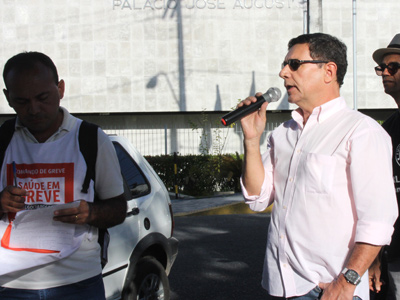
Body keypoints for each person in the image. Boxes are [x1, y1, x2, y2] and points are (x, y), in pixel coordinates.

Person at [239, 32, 398, 300]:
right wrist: (252, 141)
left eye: (294, 64)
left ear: (329, 71)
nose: (283, 73)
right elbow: (257, 198)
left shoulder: (361, 132)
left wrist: (347, 282)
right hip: (282, 285)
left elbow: (377, 221)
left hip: (330, 289)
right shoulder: (283, 134)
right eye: (284, 64)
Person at [0, 52, 127, 299]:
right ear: (8, 97)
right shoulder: (3, 140)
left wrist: (92, 213)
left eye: (42, 97)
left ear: (60, 89)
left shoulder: (91, 139)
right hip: (12, 285)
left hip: (78, 282)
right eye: (22, 101)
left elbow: (119, 208)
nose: (33, 109)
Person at [369, 33, 400, 300]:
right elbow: (378, 199)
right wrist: (374, 256)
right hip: (396, 254)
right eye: (382, 68)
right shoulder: (387, 130)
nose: (385, 73)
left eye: (394, 67)